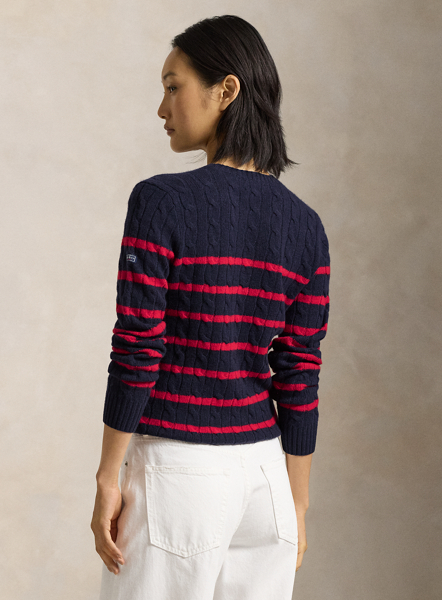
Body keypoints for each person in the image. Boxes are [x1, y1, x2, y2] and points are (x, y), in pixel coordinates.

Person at [91, 14, 331, 600]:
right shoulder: (307, 227)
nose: (162, 107)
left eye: (173, 86)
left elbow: (138, 345)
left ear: (226, 90)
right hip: (266, 480)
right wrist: (297, 504)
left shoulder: (160, 202)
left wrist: (107, 476)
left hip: (180, 473)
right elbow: (300, 371)